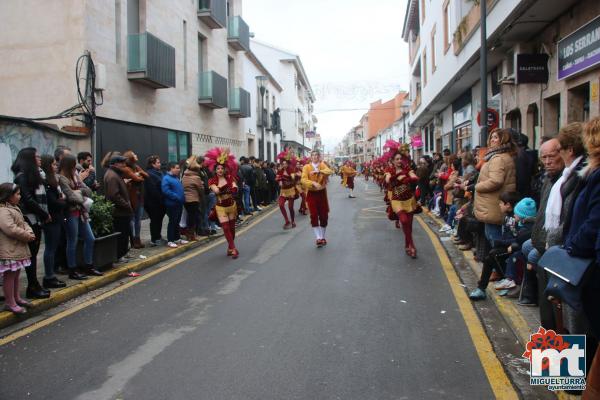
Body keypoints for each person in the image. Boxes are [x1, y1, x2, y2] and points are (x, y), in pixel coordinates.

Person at [564, 117, 600, 339]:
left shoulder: (596, 175)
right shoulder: (590, 173)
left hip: (587, 263)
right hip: (584, 258)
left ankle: (569, 373)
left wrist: (572, 246)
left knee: (585, 329)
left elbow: (594, 222)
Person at [11, 147, 51, 299]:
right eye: (37, 157)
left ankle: (34, 285)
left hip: (36, 219)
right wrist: (44, 214)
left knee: (32, 254)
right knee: (31, 255)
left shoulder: (34, 176)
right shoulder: (22, 177)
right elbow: (28, 200)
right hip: (29, 219)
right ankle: (32, 287)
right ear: (29, 159)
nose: (39, 159)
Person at [469, 192, 521, 300]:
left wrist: (503, 243)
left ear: (508, 205)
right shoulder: (507, 217)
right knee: (489, 258)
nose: (499, 205)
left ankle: (507, 280)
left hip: (515, 247)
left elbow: (519, 237)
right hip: (507, 245)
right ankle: (481, 288)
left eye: (501, 203)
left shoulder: (516, 218)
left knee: (494, 254)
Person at [58, 154, 101, 279]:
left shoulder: (75, 176)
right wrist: (79, 193)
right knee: (72, 241)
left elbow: (88, 191)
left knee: (90, 238)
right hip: (70, 213)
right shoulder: (62, 178)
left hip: (81, 212)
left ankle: (89, 265)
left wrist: (78, 192)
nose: (75, 168)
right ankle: (73, 269)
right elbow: (70, 197)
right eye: (73, 165)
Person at [474, 128, 517, 252]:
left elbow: (496, 181)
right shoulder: (502, 156)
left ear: (503, 140)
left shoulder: (498, 158)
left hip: (493, 205)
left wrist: (478, 186)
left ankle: (497, 268)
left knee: (495, 240)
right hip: (495, 204)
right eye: (491, 137)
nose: (492, 140)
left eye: (496, 137)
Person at [0, 183, 36, 314]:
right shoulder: (3, 211)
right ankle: (10, 302)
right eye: (17, 194)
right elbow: (10, 229)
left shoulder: (14, 207)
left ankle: (16, 298)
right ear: (8, 196)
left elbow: (23, 222)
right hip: (9, 249)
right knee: (9, 276)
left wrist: (29, 232)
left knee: (16, 275)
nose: (20, 196)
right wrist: (27, 235)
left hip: (17, 248)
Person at [383, 141, 419, 258]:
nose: (399, 161)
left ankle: (408, 245)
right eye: (397, 159)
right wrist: (397, 178)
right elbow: (388, 180)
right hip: (396, 200)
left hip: (409, 200)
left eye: (400, 159)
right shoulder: (389, 170)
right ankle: (412, 245)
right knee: (403, 221)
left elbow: (414, 176)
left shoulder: (407, 168)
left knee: (409, 225)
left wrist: (411, 178)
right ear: (393, 160)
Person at [205, 148, 240, 258]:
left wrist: (234, 188)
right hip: (220, 207)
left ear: (225, 169)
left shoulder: (230, 178)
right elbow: (216, 190)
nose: (220, 170)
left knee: (232, 228)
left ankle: (230, 247)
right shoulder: (212, 181)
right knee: (225, 228)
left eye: (222, 168)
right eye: (218, 168)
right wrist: (228, 188)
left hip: (231, 206)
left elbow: (235, 188)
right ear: (215, 170)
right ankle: (234, 248)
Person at [40, 155, 67, 289]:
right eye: (53, 164)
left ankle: (51, 275)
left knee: (53, 247)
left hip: (57, 217)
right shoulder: (46, 182)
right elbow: (54, 202)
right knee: (50, 248)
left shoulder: (52, 180)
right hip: (52, 219)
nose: (55, 166)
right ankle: (49, 277)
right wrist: (63, 201)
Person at [103, 155, 133, 261]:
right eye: (122, 163)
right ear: (115, 164)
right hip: (119, 212)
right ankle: (119, 255)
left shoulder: (115, 174)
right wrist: (126, 205)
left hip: (121, 211)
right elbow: (114, 195)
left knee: (124, 234)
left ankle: (122, 254)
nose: (124, 165)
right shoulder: (112, 176)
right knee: (121, 234)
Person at [301, 150, 334, 247]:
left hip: (322, 193)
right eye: (313, 155)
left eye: (316, 155)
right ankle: (318, 238)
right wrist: (313, 183)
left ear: (319, 157)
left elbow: (330, 171)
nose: (315, 157)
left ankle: (322, 237)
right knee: (314, 215)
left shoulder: (322, 165)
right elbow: (303, 179)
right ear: (311, 157)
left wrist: (319, 171)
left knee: (324, 216)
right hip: (311, 193)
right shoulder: (306, 167)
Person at [122, 150, 148, 249]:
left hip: (139, 198)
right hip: (132, 198)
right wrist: (138, 176)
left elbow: (146, 175)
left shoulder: (136, 167)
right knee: (132, 220)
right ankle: (133, 240)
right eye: (134, 154)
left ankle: (137, 238)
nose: (136, 155)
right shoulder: (126, 169)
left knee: (138, 220)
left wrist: (139, 173)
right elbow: (139, 179)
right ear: (130, 157)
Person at [162, 162, 187, 248]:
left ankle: (177, 238)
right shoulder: (166, 178)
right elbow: (166, 191)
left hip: (179, 204)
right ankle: (170, 240)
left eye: (179, 168)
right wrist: (176, 197)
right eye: (177, 168)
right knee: (172, 222)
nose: (179, 170)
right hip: (172, 204)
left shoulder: (175, 178)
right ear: (171, 169)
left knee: (177, 222)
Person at [144, 155, 165, 246]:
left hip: (160, 202)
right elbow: (153, 190)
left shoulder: (158, 172)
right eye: (158, 162)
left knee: (159, 220)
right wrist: (161, 199)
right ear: (152, 164)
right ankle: (154, 239)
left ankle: (158, 236)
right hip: (153, 202)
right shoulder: (150, 174)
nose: (160, 164)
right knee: (155, 220)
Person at [182, 156, 204, 242]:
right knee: (193, 217)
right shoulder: (196, 178)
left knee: (189, 216)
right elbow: (200, 189)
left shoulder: (185, 176)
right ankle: (191, 234)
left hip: (185, 199)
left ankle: (189, 234)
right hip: (194, 199)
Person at [276, 150, 299, 230]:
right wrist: (279, 180)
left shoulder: (291, 170)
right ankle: (287, 221)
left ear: (288, 163)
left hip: (291, 190)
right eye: (283, 164)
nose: (284, 165)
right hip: (283, 191)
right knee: (281, 205)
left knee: (290, 207)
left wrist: (293, 176)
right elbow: (277, 178)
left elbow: (293, 178)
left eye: (285, 163)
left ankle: (292, 221)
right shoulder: (280, 170)